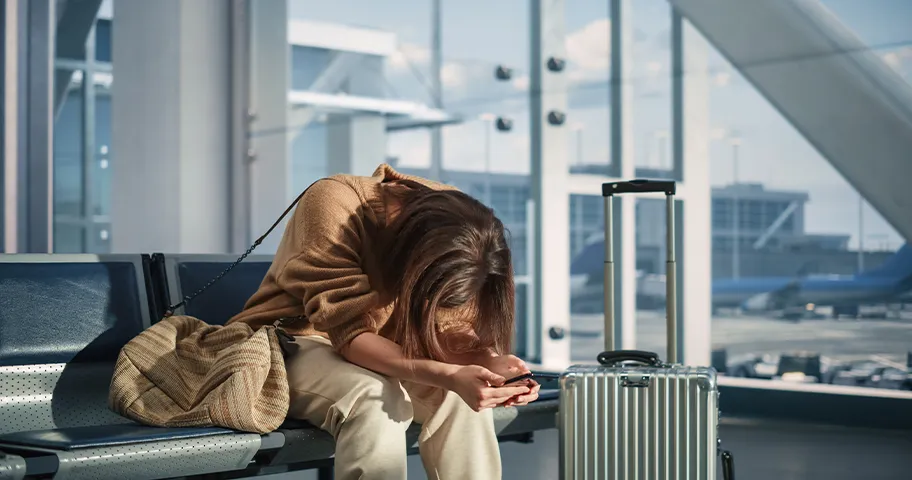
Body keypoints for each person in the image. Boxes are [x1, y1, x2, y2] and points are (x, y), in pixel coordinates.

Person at [227, 164, 539, 479]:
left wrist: (489, 362)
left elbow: (449, 327)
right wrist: (447, 373)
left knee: (462, 401)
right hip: (294, 340)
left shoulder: (462, 226)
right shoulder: (334, 202)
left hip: (382, 349)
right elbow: (350, 334)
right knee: (374, 398)